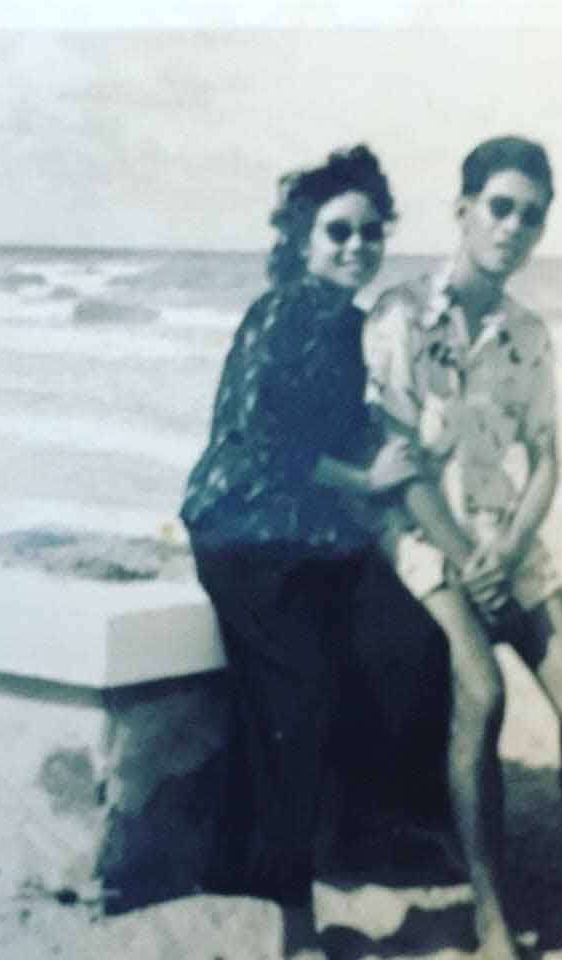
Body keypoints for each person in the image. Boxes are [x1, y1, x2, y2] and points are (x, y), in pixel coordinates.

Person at [363, 136, 562, 960]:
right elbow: (396, 463)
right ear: (464, 209)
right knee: (482, 693)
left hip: (505, 535)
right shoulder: (399, 316)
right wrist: (466, 559)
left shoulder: (529, 335)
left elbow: (546, 459)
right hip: (422, 534)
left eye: (531, 217)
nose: (513, 227)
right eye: (500, 207)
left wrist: (507, 548)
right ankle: (492, 923)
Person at [179, 144, 420, 960]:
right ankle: (293, 924)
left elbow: (354, 436)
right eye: (339, 231)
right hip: (246, 536)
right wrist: (364, 474)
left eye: (371, 232)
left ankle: (287, 861)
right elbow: (262, 440)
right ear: (304, 240)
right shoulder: (290, 310)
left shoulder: (348, 321)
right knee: (301, 705)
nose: (358, 245)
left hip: (310, 535)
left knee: (403, 642)